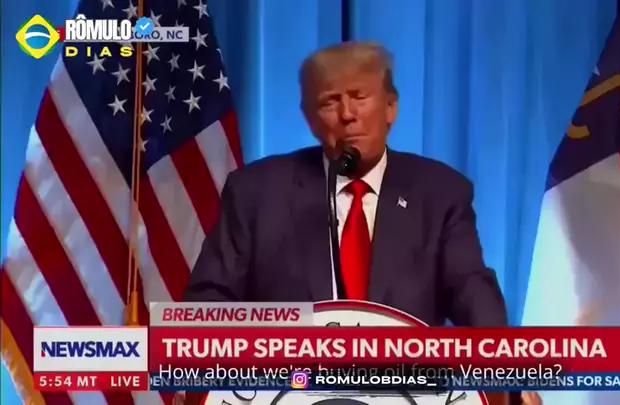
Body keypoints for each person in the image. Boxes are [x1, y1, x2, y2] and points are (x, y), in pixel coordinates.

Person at [184, 41, 541, 405]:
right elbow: (210, 298)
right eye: (330, 102)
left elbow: (472, 291)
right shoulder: (257, 192)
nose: (347, 114)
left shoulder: (439, 193)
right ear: (310, 119)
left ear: (391, 107)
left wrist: (505, 373)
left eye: (359, 96)